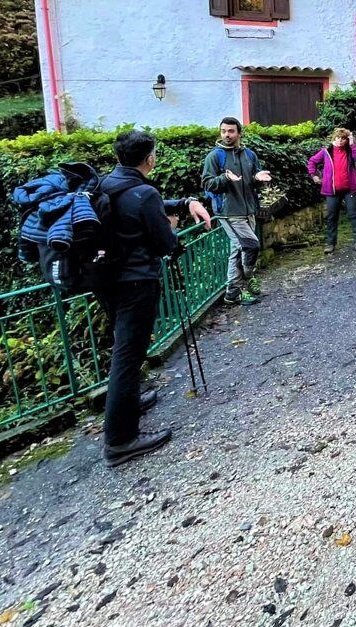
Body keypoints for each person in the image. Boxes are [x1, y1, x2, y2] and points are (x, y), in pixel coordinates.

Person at [95, 129, 211, 466]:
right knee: (128, 355)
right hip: (136, 283)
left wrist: (184, 202)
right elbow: (166, 244)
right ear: (150, 158)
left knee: (124, 346)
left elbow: (146, 209)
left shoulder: (107, 185)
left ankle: (129, 401)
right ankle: (120, 440)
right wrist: (172, 227)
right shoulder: (143, 193)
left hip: (108, 281)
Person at [201, 117, 271, 306]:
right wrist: (225, 178)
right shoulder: (214, 157)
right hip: (229, 212)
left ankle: (233, 293)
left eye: (231, 131)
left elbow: (254, 175)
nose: (227, 135)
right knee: (251, 245)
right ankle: (248, 278)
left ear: (239, 133)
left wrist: (258, 177)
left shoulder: (249, 154)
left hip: (249, 210)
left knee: (237, 250)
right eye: (224, 131)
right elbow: (207, 184)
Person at [307, 127, 356, 254]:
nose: (340, 141)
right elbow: (312, 161)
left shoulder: (351, 150)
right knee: (331, 217)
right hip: (332, 190)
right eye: (338, 138)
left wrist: (352, 144)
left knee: (354, 215)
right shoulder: (326, 151)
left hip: (350, 189)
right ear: (334, 138)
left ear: (347, 140)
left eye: (343, 138)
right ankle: (330, 243)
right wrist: (314, 175)